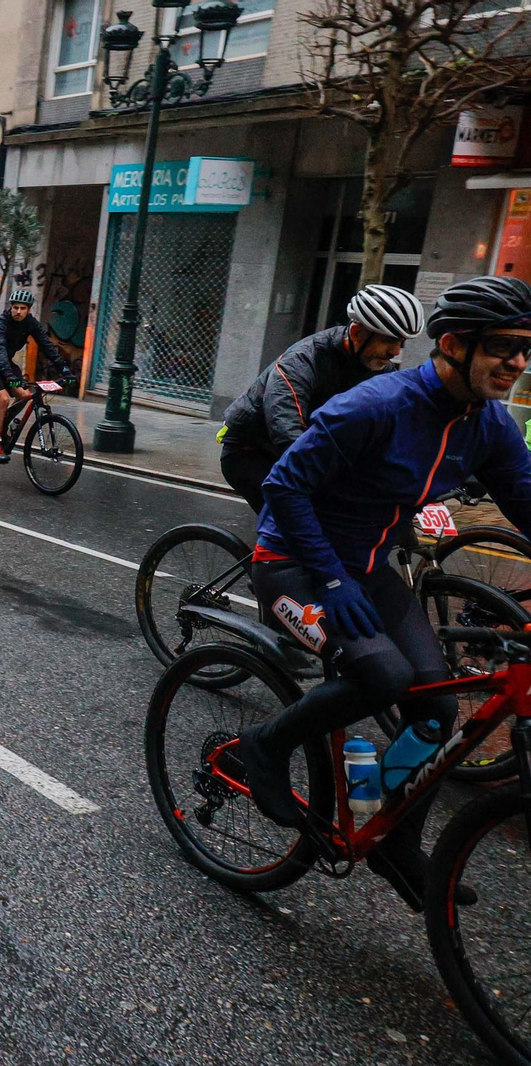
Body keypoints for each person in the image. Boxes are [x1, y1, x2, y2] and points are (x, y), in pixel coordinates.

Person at [237, 274, 531, 910]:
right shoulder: (375, 405)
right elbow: (284, 487)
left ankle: (394, 838)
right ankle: (267, 743)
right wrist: (333, 578)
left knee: (437, 708)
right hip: (291, 561)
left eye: (525, 349)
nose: (517, 362)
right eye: (503, 346)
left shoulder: (489, 425)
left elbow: (527, 503)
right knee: (382, 676)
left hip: (369, 571)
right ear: (453, 345)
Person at [219, 285, 426, 512]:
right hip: (252, 452)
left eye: (401, 343)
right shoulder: (302, 360)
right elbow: (286, 425)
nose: (395, 351)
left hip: (309, 450)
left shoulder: (378, 367)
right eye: (389, 340)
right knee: (300, 519)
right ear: (357, 333)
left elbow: (398, 418)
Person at [0, 290, 72, 461]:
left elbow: (47, 345)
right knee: (2, 399)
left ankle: (3, 423)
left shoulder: (30, 323)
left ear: (28, 310)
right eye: (15, 307)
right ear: (11, 308)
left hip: (5, 363)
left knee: (25, 396)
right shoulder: (1, 323)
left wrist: (65, 370)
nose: (18, 311)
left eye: (22, 308)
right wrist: (9, 376)